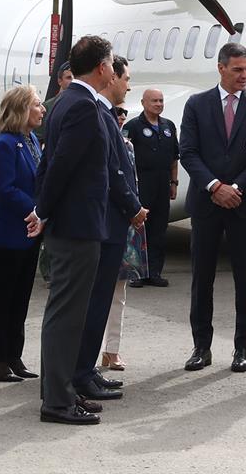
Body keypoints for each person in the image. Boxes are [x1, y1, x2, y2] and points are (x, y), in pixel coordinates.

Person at [31, 36, 116, 425]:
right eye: (112, 64)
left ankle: (61, 393)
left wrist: (43, 211)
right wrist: (44, 212)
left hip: (69, 223)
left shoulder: (66, 102)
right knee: (67, 316)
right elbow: (61, 166)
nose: (115, 71)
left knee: (63, 314)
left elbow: (50, 164)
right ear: (100, 67)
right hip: (76, 226)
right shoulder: (82, 106)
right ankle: (58, 403)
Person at [179, 42, 246, 375]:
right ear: (221, 68)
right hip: (207, 203)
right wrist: (214, 187)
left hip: (244, 204)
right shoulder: (197, 105)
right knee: (201, 276)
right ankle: (201, 347)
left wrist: (234, 187)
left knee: (245, 277)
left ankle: (241, 347)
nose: (244, 75)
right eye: (238, 69)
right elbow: (188, 152)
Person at [71, 55, 147, 404]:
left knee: (101, 303)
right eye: (126, 78)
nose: (129, 85)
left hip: (112, 223)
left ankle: (87, 370)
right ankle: (82, 373)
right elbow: (111, 171)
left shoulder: (102, 113)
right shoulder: (96, 113)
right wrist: (133, 207)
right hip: (108, 222)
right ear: (110, 76)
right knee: (95, 302)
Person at [0, 84, 45, 383]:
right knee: (1, 298)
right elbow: (6, 189)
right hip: (8, 232)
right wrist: (34, 210)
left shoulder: (31, 139)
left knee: (20, 297)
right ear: (20, 109)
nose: (42, 110)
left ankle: (14, 355)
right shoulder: (5, 143)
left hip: (29, 232)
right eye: (36, 105)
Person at [123, 88, 179, 287]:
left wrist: (174, 183)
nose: (158, 104)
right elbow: (124, 158)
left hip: (162, 183)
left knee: (159, 228)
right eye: (154, 100)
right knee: (138, 227)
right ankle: (136, 273)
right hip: (141, 183)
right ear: (143, 103)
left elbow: (174, 158)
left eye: (161, 100)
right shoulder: (132, 126)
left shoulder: (169, 127)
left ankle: (154, 271)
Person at [102, 104, 138, 371]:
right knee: (95, 295)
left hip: (125, 224)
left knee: (118, 293)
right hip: (103, 224)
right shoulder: (106, 143)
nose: (121, 119)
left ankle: (112, 350)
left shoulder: (128, 145)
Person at [37, 61, 72, 286]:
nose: (70, 81)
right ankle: (47, 268)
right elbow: (39, 141)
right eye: (67, 77)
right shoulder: (48, 107)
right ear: (59, 80)